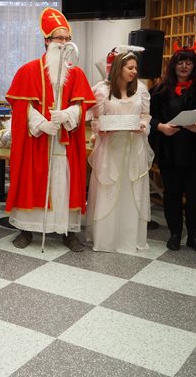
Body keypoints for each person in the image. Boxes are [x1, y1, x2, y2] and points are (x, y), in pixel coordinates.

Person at [5, 8, 95, 251]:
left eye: (67, 38)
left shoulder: (76, 73)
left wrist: (67, 115)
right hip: (36, 141)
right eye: (58, 38)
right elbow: (21, 106)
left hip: (64, 142)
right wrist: (41, 124)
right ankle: (27, 229)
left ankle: (67, 231)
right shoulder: (28, 70)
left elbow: (82, 106)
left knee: (64, 182)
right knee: (32, 180)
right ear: (46, 40)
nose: (63, 43)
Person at [85, 49, 154, 253]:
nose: (134, 72)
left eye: (135, 68)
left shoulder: (141, 89)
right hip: (110, 147)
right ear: (118, 69)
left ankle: (128, 237)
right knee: (109, 187)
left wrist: (143, 126)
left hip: (133, 146)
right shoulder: (102, 90)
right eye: (130, 68)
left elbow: (145, 115)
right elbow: (96, 119)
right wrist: (101, 129)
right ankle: (105, 238)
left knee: (131, 190)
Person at [149, 42, 196, 255]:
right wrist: (161, 127)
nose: (184, 66)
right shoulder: (160, 90)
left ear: (194, 66)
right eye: (180, 62)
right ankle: (174, 233)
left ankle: (194, 236)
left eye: (189, 62)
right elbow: (148, 117)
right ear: (173, 65)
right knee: (172, 194)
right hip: (170, 152)